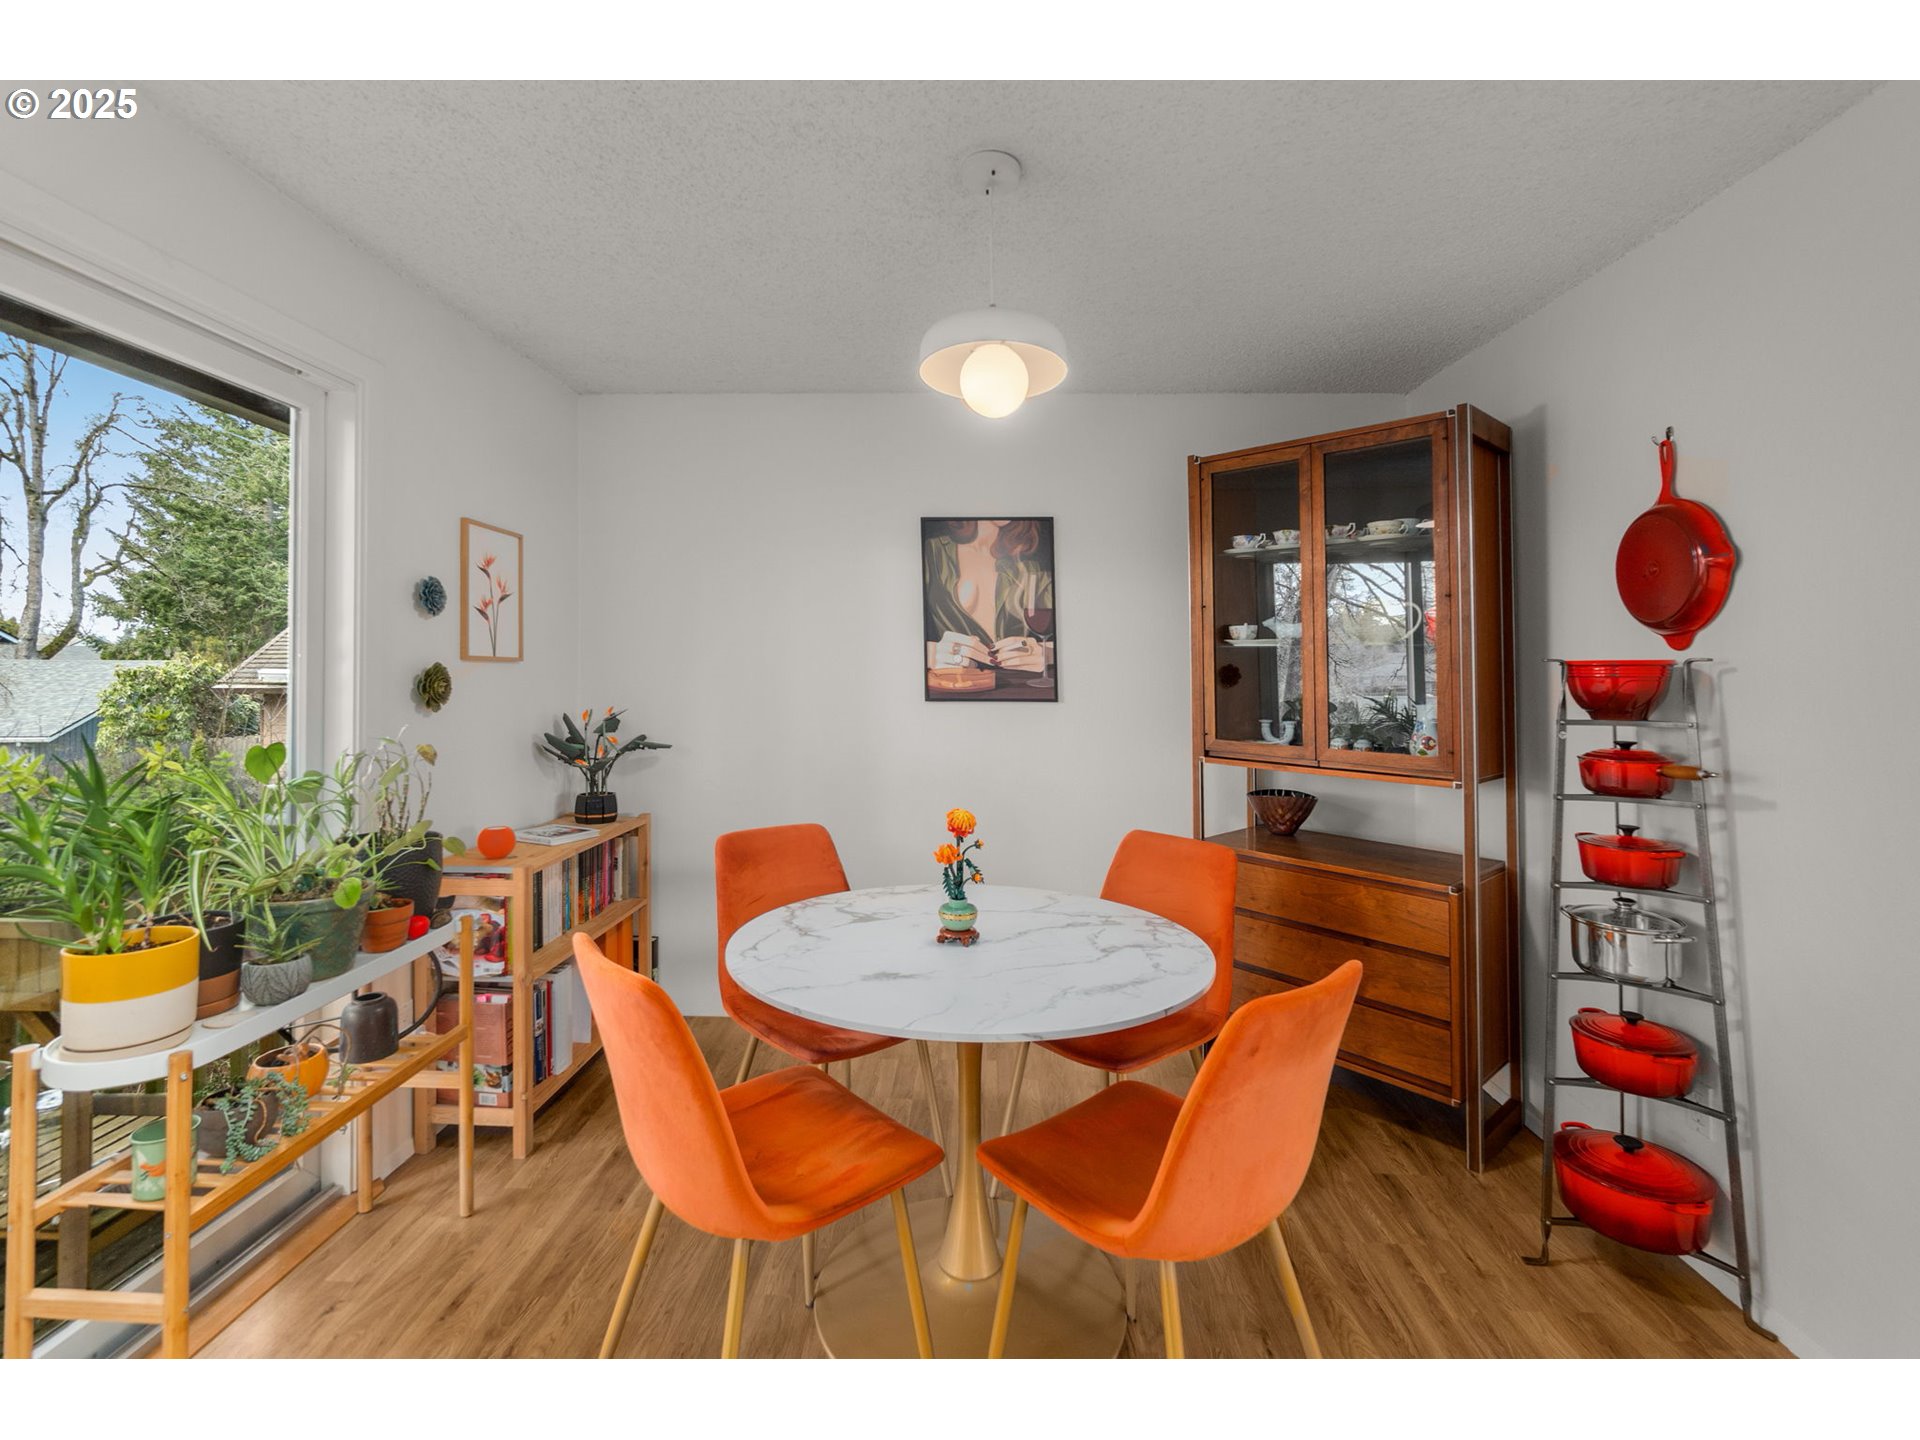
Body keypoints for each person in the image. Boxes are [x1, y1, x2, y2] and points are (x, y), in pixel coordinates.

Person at [923, 519, 1054, 678]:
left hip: (1022, 689)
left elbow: (1073, 636)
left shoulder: (1032, 562)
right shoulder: (931, 552)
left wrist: (1048, 652)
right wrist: (930, 653)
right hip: (955, 687)